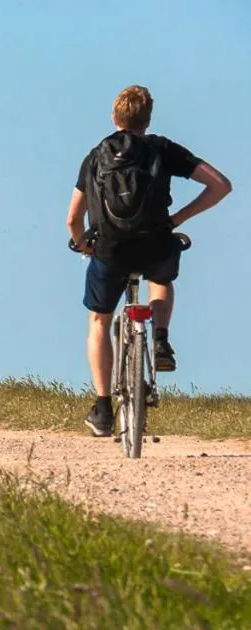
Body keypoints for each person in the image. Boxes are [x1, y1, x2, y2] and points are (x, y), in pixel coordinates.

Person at [68, 85, 232, 437]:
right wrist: (176, 220)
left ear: (114, 117)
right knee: (161, 279)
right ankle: (159, 338)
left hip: (110, 249)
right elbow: (220, 185)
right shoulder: (162, 149)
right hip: (156, 240)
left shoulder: (97, 155)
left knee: (99, 320)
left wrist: (83, 243)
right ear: (149, 119)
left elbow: (72, 219)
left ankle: (102, 408)